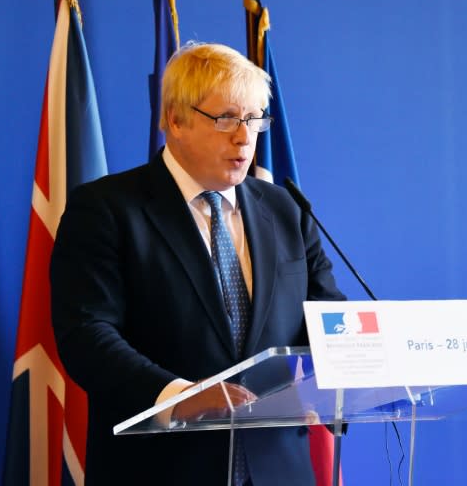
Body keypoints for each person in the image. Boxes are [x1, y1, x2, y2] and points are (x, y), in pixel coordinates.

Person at [51, 42, 346, 485]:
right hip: (163, 468)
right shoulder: (108, 209)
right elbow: (86, 334)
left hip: (277, 470)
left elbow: (326, 319)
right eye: (227, 118)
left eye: (254, 119)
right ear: (175, 119)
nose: (245, 137)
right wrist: (179, 396)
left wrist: (362, 368)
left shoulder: (285, 209)